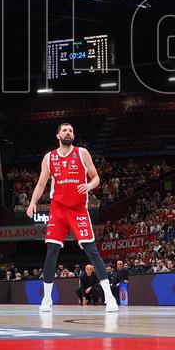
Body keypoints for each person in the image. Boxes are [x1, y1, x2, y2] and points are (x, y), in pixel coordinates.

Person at [26, 124, 118, 312]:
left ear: (73, 135)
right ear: (58, 135)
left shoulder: (82, 153)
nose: (68, 133)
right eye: (64, 130)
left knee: (92, 251)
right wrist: (32, 202)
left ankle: (110, 298)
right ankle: (47, 299)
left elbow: (96, 178)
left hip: (78, 209)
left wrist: (89, 186)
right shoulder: (49, 157)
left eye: (70, 131)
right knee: (51, 251)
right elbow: (42, 182)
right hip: (58, 209)